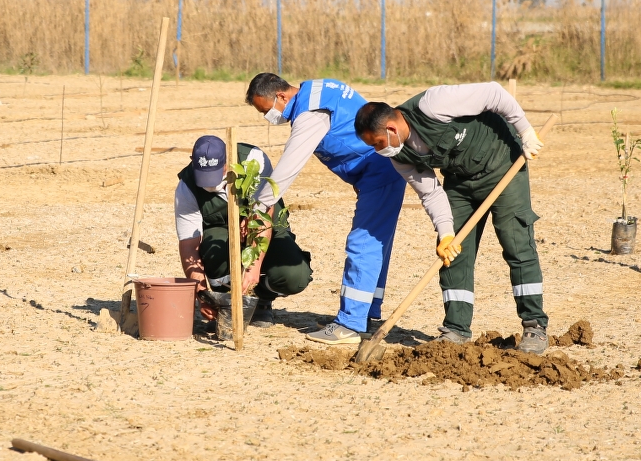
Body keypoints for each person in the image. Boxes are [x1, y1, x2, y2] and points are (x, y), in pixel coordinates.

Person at [353, 82, 549, 353]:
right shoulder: (400, 156)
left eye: (377, 143)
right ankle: (456, 330)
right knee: (453, 252)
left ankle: (534, 326)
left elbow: (494, 93)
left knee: (516, 243)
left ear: (391, 129)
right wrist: (446, 232)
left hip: (503, 163)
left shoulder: (434, 105)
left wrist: (524, 131)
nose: (378, 151)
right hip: (459, 181)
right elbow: (431, 193)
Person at [245, 73, 406, 346]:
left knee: (362, 244)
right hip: (376, 173)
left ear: (282, 96)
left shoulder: (310, 113)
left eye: (267, 110)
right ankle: (367, 314)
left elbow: (289, 167)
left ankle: (349, 324)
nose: (269, 117)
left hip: (379, 173)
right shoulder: (318, 90)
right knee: (376, 245)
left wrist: (259, 209)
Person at [175, 135, 312, 333]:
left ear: (227, 162)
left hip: (264, 224)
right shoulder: (186, 187)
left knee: (295, 276)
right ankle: (227, 302)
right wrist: (201, 293)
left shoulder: (252, 161)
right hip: (221, 233)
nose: (209, 184)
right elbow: (189, 246)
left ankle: (261, 298)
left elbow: (264, 213)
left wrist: (253, 268)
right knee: (215, 243)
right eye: (203, 176)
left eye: (215, 174)